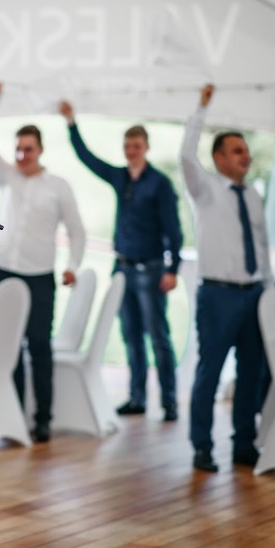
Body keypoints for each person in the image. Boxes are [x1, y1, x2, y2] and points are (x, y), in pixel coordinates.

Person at [59, 101, 183, 421]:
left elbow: (173, 230)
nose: (131, 151)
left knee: (158, 336)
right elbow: (87, 158)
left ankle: (169, 401)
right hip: (123, 268)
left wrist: (173, 268)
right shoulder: (120, 177)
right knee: (131, 335)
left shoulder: (159, 183)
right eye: (127, 146)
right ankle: (137, 397)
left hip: (151, 268)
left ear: (146, 148)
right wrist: (71, 124)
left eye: (136, 146)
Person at [0, 82, 87, 442]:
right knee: (5, 345)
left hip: (39, 276)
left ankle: (42, 418)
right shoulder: (7, 176)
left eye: (28, 149)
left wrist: (72, 265)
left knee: (38, 345)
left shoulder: (58, 186)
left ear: (40, 150)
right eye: (18, 148)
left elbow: (77, 231)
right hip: (2, 270)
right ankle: (11, 416)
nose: (22, 154)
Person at [180, 84, 272, 472]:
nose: (245, 156)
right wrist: (200, 108)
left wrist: (269, 289)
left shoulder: (253, 195)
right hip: (218, 296)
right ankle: (202, 446)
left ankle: (244, 444)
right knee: (210, 372)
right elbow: (186, 155)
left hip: (254, 294)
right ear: (219, 158)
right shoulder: (206, 191)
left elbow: (262, 246)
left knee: (251, 371)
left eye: (246, 150)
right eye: (237, 151)